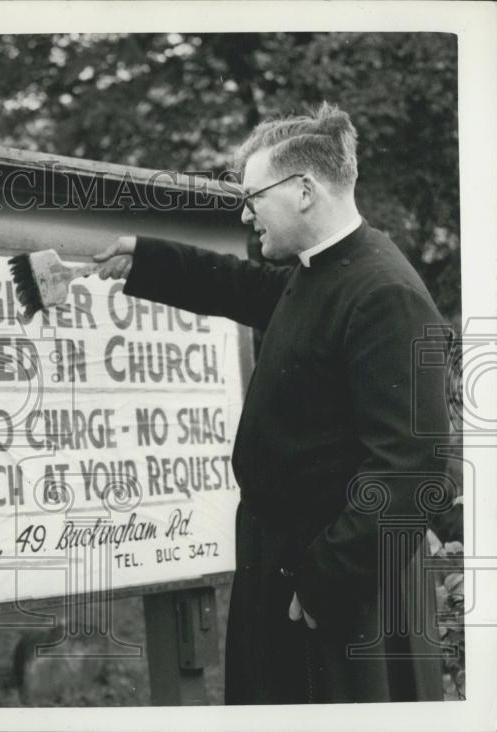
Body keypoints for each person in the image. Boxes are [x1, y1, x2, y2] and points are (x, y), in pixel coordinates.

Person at [94, 103, 450, 704]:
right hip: (285, 561)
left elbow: (410, 472)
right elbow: (245, 286)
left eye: (253, 195)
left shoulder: (383, 292)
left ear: (305, 190)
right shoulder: (322, 269)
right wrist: (146, 259)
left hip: (341, 584)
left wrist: (323, 584)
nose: (244, 211)